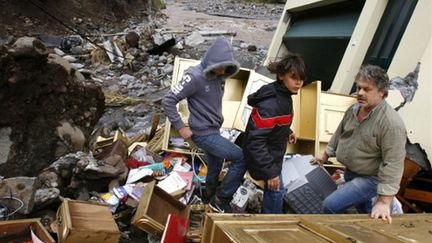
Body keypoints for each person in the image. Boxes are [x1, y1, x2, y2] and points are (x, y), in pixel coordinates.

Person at [311, 64, 406, 223]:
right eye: (359, 87)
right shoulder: (354, 109)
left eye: (367, 89)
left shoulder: (391, 123)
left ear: (382, 92)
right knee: (366, 214)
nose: (360, 93)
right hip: (351, 172)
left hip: (371, 179)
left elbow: (394, 163)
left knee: (330, 205)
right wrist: (324, 155)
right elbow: (340, 133)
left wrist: (384, 201)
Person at [162, 36, 245, 213]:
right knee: (241, 157)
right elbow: (168, 100)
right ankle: (221, 199)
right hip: (203, 134)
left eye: (226, 67)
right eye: (220, 66)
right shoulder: (194, 76)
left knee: (215, 165)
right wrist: (180, 127)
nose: (223, 71)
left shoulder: (218, 75)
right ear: (212, 62)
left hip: (214, 130)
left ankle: (208, 197)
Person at [243, 53, 306, 213]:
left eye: (301, 78)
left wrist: (287, 131)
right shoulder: (271, 104)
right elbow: (255, 142)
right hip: (266, 159)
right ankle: (268, 227)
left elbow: (275, 123)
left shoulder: (282, 94)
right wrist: (271, 173)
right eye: (294, 77)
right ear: (281, 76)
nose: (298, 83)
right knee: (277, 193)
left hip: (272, 155)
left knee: (276, 192)